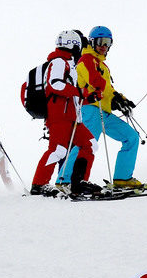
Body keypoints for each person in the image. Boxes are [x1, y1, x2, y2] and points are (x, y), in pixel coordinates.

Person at [58, 26, 143, 190]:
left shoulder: (102, 65)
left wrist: (120, 100)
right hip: (90, 109)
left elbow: (108, 90)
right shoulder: (86, 60)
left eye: (107, 42)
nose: (104, 46)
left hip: (104, 112)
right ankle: (65, 180)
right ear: (92, 42)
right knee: (86, 144)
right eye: (100, 42)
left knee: (131, 137)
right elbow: (96, 82)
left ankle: (122, 178)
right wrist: (115, 98)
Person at [29, 30, 100, 197]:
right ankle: (39, 184)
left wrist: (88, 95)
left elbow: (74, 92)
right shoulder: (59, 61)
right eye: (79, 45)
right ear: (73, 45)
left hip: (73, 117)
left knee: (90, 144)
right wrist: (78, 91)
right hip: (59, 115)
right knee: (57, 150)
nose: (81, 48)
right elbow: (55, 84)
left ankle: (79, 182)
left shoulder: (69, 63)